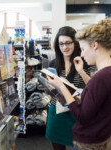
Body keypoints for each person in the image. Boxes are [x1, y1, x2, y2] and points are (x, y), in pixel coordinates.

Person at [47, 19, 111, 150]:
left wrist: (80, 73)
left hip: (76, 111)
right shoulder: (53, 63)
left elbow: (94, 88)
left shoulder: (87, 61)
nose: (64, 47)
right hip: (57, 111)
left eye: (68, 43)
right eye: (61, 44)